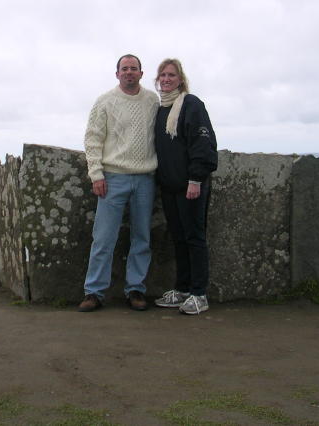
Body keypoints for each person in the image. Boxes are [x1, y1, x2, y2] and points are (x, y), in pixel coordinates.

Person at [78, 54, 159, 312]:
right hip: (113, 178)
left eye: (133, 69)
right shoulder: (104, 101)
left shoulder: (152, 101)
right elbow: (93, 139)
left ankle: (135, 289)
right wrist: (97, 175)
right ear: (117, 74)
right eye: (124, 69)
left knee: (142, 238)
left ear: (141, 74)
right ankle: (94, 291)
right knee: (103, 238)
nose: (129, 73)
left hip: (145, 178)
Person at [153, 58, 218, 315]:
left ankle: (199, 293)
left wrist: (195, 179)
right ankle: (181, 289)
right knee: (179, 238)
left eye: (172, 75)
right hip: (169, 186)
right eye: (163, 75)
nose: (167, 79)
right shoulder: (161, 111)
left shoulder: (191, 105)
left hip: (191, 185)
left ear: (181, 80)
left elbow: (203, 145)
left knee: (194, 237)